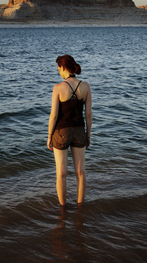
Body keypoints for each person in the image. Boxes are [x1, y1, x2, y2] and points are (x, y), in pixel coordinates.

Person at [47, 55, 92, 206]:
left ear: (63, 67)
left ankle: (63, 209)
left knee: (61, 173)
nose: (58, 72)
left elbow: (53, 116)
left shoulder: (58, 87)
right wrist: (88, 135)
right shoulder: (85, 86)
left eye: (58, 69)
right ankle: (80, 206)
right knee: (80, 172)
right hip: (79, 131)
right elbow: (89, 114)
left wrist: (49, 136)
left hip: (61, 132)